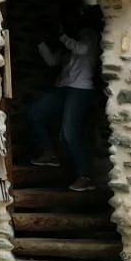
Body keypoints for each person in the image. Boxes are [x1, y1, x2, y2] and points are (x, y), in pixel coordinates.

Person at [28, 14, 100, 192]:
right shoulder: (68, 43)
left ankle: (85, 176)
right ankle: (49, 153)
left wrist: (61, 35)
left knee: (69, 132)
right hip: (64, 88)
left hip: (81, 89)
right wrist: (40, 42)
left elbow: (82, 49)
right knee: (35, 114)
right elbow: (52, 61)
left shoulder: (89, 35)